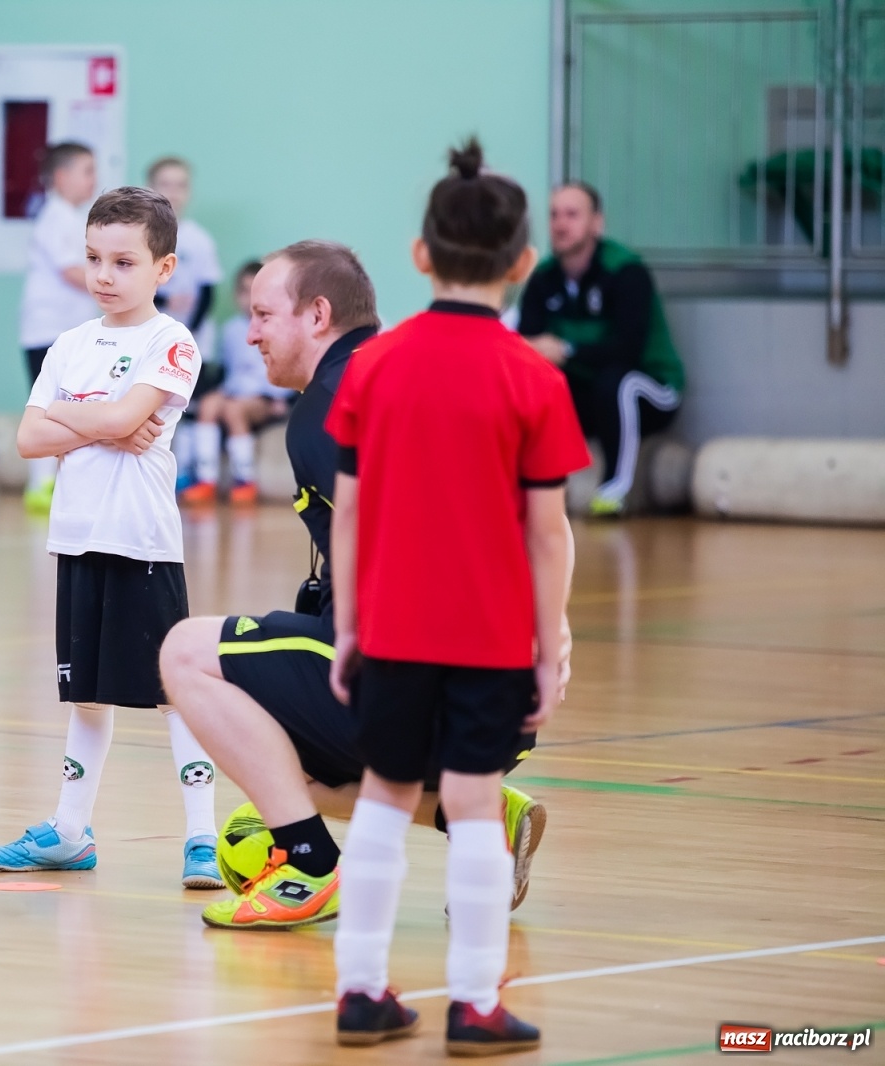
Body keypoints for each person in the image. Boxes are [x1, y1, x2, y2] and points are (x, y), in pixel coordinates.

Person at [160, 240, 565, 932]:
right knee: (280, 774)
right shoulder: (417, 372)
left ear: (318, 315)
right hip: (504, 698)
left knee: (186, 652)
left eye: (263, 315)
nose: (250, 332)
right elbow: (537, 520)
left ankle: (310, 868)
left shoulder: (329, 408)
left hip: (426, 681)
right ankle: (481, 815)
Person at [322, 141, 587, 1053]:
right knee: (472, 804)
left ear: (420, 255)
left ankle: (361, 994)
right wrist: (548, 640)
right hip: (488, 638)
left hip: (392, 627)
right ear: (523, 264)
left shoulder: (373, 366)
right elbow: (549, 532)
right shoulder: (534, 378)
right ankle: (475, 1005)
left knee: (387, 797)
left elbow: (346, 515)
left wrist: (349, 625)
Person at [0, 186, 223, 889]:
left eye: (123, 261)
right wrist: (105, 417)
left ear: (164, 268)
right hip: (77, 540)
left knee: (174, 692)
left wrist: (78, 417)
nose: (104, 275)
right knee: (86, 697)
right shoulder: (68, 345)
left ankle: (202, 837)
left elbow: (116, 421)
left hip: (143, 543)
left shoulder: (170, 341)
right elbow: (30, 438)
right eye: (93, 259)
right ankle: (69, 831)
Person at [517, 182, 684, 515]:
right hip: (588, 394)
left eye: (572, 214)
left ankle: (613, 490)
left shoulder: (626, 272)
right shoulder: (543, 278)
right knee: (532, 384)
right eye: (554, 215)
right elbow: (528, 346)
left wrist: (566, 349)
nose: (561, 224)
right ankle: (525, 485)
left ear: (597, 223)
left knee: (616, 382)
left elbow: (627, 349)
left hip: (651, 388)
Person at [18, 142, 99, 513]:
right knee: (50, 408)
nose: (93, 180)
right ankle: (41, 484)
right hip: (48, 332)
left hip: (68, 331)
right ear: (62, 176)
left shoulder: (75, 219)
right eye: (87, 171)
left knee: (70, 406)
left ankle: (59, 482)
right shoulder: (56, 218)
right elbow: (71, 271)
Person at [180, 260, 294, 505]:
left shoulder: (278, 328)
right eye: (244, 291)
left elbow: (290, 368)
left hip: (264, 398)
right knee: (210, 404)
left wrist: (285, 400)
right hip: (234, 391)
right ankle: (205, 477)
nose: (249, 299)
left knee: (233, 410)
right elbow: (223, 370)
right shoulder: (231, 329)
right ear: (236, 294)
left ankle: (245, 479)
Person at [144, 157, 224, 495]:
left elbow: (208, 291)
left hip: (191, 340)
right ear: (151, 188)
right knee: (151, 404)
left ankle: (192, 475)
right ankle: (155, 475)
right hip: (150, 338)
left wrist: (187, 330)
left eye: (181, 185)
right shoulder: (141, 236)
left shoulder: (198, 240)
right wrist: (162, 306)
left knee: (190, 405)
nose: (173, 193)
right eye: (166, 184)